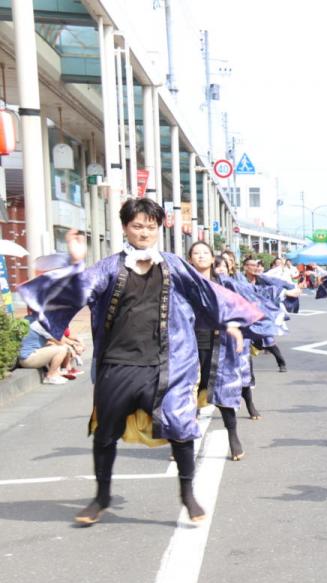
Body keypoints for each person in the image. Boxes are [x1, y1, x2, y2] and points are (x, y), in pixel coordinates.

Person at [17, 200, 262, 525]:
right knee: (105, 433)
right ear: (125, 228)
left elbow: (208, 293)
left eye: (150, 226)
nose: (144, 232)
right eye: (137, 226)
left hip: (169, 366)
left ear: (158, 229)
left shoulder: (174, 265)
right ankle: (101, 497)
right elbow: (79, 292)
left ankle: (188, 495)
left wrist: (231, 321)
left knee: (180, 428)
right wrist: (75, 263)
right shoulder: (108, 267)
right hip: (118, 365)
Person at [190, 241, 256, 460]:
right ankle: (181, 442)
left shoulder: (225, 283)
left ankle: (233, 437)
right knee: (185, 394)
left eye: (205, 253)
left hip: (220, 346)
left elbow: (246, 301)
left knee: (223, 392)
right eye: (196, 253)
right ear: (190, 259)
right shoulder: (184, 283)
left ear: (212, 259)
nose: (200, 256)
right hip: (188, 346)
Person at [16, 317, 74, 384]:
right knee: (62, 349)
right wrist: (72, 347)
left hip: (23, 357)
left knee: (54, 347)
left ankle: (56, 374)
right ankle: (50, 376)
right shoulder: (41, 325)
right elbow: (59, 341)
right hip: (28, 358)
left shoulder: (30, 319)